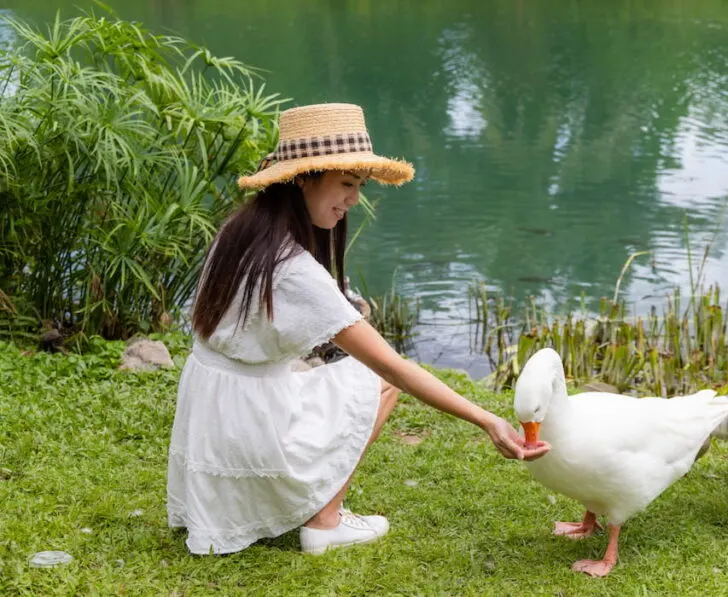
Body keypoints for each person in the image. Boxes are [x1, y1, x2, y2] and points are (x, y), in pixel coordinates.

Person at [166, 103, 549, 556]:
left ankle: (265, 506)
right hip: (251, 422)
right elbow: (395, 366)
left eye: (359, 187)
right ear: (304, 178)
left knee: (339, 368)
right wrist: (487, 420)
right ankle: (325, 521)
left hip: (213, 405)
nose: (353, 200)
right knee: (381, 379)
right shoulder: (294, 269)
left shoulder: (243, 230)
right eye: (346, 184)